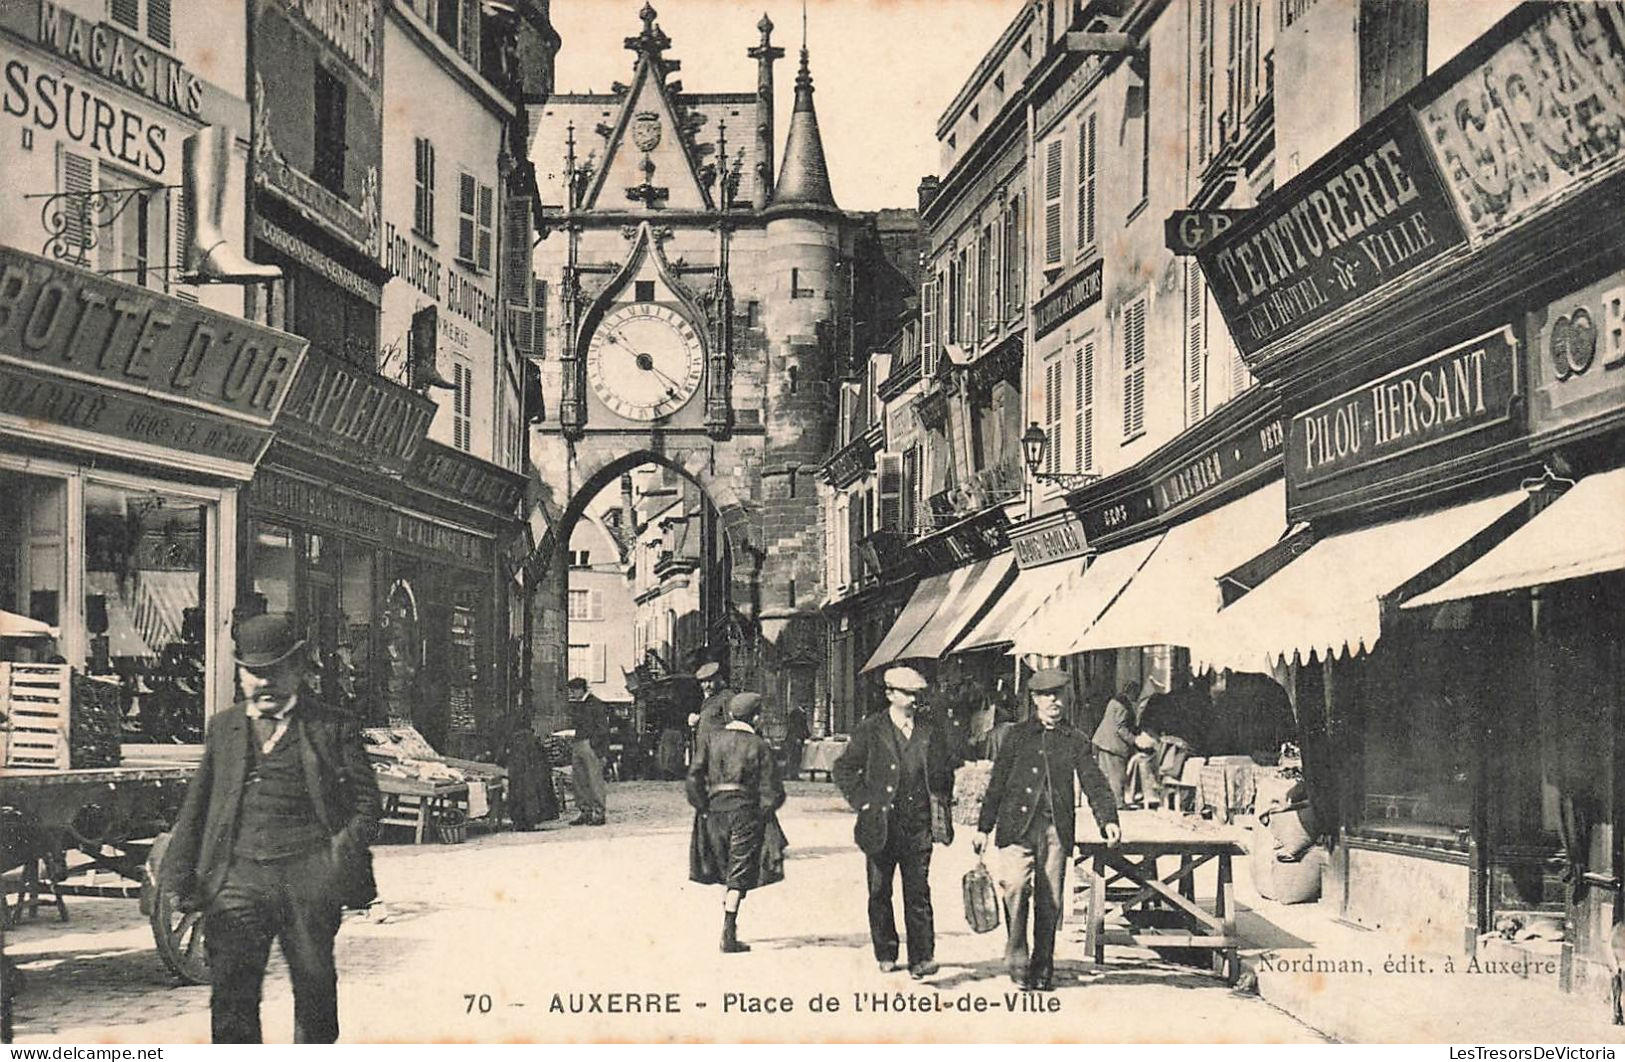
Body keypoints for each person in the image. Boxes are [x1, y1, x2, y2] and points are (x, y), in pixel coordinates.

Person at [160, 614, 381, 1043]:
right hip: (237, 880)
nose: (261, 684)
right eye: (252, 674)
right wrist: (181, 877)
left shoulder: (333, 726)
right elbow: (198, 807)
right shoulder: (223, 729)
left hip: (307, 881)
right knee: (231, 998)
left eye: (273, 672)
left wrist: (332, 863)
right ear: (240, 674)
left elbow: (367, 805)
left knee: (315, 990)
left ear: (298, 670)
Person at [974, 668, 1121, 991]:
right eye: (1047, 695)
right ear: (1035, 699)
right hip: (1016, 827)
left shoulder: (1075, 740)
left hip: (1055, 829)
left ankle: (1043, 967)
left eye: (1059, 695)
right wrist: (983, 827)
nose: (1054, 701)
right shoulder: (1014, 736)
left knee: (1049, 899)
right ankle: (1016, 956)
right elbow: (997, 782)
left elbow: (1094, 781)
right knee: (1014, 887)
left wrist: (1107, 818)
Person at [831, 665, 956, 980]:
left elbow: (945, 771)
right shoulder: (870, 729)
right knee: (879, 891)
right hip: (880, 824)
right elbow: (844, 769)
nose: (914, 700)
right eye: (907, 694)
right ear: (890, 694)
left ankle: (922, 958)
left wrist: (939, 801)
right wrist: (864, 802)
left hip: (919, 825)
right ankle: (886, 951)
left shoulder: (931, 729)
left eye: (916, 694)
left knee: (918, 892)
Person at [686, 692, 788, 953]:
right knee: (739, 868)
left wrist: (703, 807)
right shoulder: (758, 745)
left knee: (724, 864)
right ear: (756, 717)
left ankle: (729, 925)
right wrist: (764, 811)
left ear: (730, 715)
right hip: (745, 810)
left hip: (715, 809)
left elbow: (694, 776)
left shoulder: (711, 739)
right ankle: (728, 933)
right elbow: (773, 788)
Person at [1091, 678, 1140, 808]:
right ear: (1131, 692)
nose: (1138, 696)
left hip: (1104, 742)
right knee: (1116, 775)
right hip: (1113, 745)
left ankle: (1107, 802)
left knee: (1106, 775)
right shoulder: (1122, 706)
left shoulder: (1115, 701)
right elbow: (1121, 729)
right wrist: (1135, 740)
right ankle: (1118, 803)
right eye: (1136, 693)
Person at [567, 677, 609, 826]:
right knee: (579, 780)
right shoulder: (579, 704)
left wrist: (597, 747)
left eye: (573, 690)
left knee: (594, 780)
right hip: (578, 743)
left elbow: (603, 728)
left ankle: (598, 813)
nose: (571, 693)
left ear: (580, 689)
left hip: (590, 745)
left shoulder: (596, 704)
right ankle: (585, 811)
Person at [689, 662, 734, 753]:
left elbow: (731, 725)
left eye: (710, 681)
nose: (706, 685)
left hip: (718, 751)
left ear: (719, 679)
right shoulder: (709, 698)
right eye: (703, 682)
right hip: (706, 750)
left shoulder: (726, 697)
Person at [782, 705, 810, 780]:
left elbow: (804, 726)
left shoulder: (802, 713)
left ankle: (794, 775)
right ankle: (789, 775)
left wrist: (808, 735)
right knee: (793, 757)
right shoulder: (796, 713)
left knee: (797, 757)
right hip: (794, 739)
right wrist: (797, 737)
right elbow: (794, 727)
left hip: (798, 739)